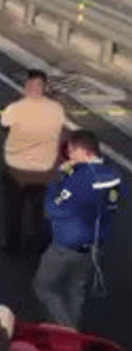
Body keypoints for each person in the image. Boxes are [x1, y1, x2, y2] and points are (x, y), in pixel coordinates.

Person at [34, 131, 123, 329]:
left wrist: (55, 181)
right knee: (75, 291)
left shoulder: (78, 180)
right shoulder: (113, 176)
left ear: (84, 150)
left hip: (66, 245)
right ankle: (68, 335)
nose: (69, 156)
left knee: (44, 287)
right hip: (94, 246)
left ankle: (67, 331)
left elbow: (53, 210)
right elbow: (111, 206)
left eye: (71, 151)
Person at [0, 69, 66, 255]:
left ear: (27, 87)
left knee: (13, 208)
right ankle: (39, 243)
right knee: (41, 210)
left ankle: (11, 244)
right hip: (44, 171)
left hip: (17, 170)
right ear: (45, 88)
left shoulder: (16, 108)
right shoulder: (56, 109)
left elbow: (4, 125)